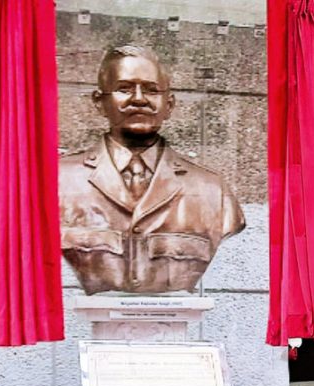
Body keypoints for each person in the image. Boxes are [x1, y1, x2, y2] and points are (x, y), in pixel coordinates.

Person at [59, 45, 244, 294]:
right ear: (99, 102)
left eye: (151, 90)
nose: (138, 99)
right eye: (124, 88)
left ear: (169, 105)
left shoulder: (212, 189)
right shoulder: (58, 181)